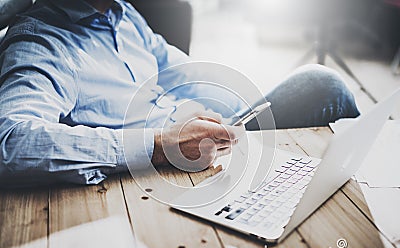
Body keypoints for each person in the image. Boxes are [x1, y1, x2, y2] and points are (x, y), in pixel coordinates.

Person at [0, 0, 360, 185]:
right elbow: (9, 142)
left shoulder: (121, 13)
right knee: (322, 85)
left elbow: (177, 68)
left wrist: (235, 107)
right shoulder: (41, 42)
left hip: (208, 138)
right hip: (162, 175)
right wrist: (161, 144)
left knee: (314, 88)